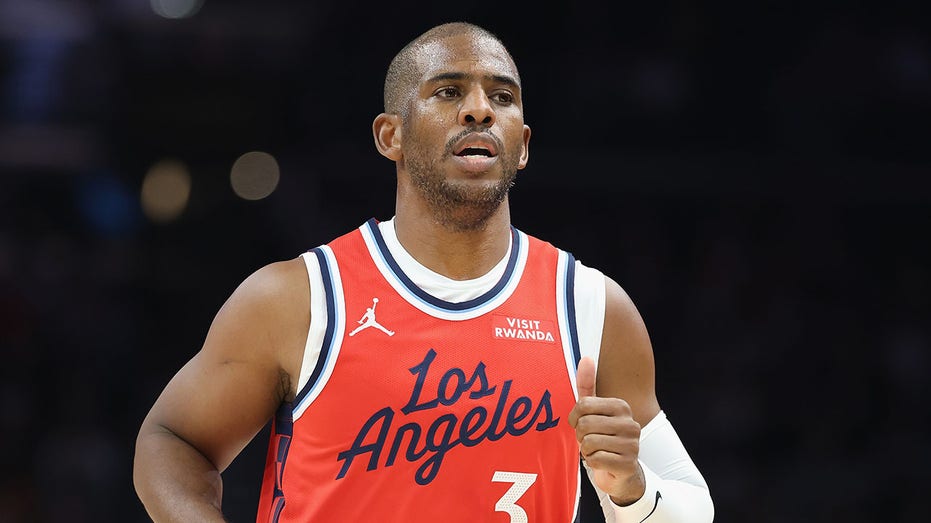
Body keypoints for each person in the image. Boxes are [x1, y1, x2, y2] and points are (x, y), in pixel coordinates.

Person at [132, 21, 714, 523]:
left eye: (502, 97)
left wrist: (633, 491)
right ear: (392, 136)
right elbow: (171, 441)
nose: (480, 109)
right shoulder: (300, 299)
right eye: (449, 91)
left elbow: (693, 506)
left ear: (523, 144)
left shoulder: (591, 306)